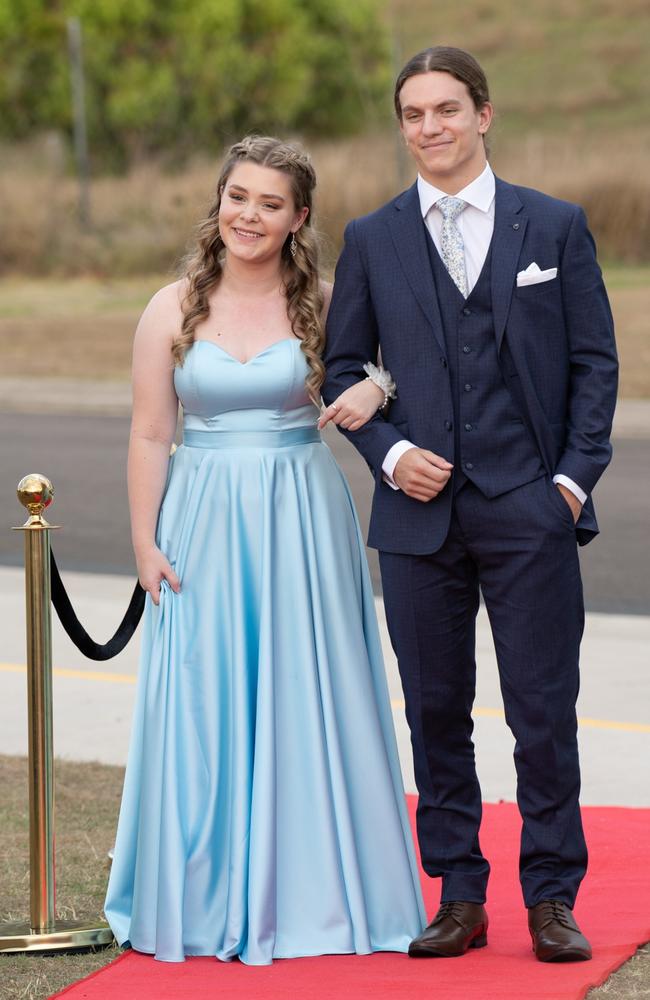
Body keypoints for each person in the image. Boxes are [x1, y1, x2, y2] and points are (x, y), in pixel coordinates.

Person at [322, 47, 618, 963]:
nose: (429, 128)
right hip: (418, 521)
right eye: (412, 114)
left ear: (483, 115)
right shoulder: (372, 237)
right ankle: (457, 892)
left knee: (543, 708)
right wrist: (392, 450)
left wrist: (568, 483)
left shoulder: (555, 226)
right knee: (435, 711)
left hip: (530, 506)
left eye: (446, 109)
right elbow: (343, 367)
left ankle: (552, 897)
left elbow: (593, 365)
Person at [104, 136, 426, 965]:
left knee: (307, 693)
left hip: (301, 519)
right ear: (219, 202)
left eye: (270, 203)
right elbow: (149, 431)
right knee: (206, 699)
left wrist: (376, 385)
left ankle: (318, 894)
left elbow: (396, 369)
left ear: (300, 218)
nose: (249, 215)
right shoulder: (170, 305)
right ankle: (204, 897)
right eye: (238, 196)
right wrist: (145, 543)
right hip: (202, 516)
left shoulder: (323, 299)